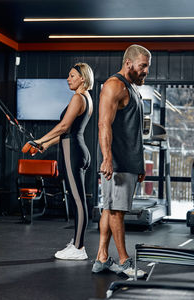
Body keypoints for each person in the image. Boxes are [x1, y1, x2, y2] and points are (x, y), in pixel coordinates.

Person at [23, 62, 94, 260]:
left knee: (78, 202)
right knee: (76, 199)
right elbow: (69, 131)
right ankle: (77, 242)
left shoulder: (78, 97)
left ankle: (79, 248)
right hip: (77, 149)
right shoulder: (87, 98)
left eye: (72, 76)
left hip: (73, 153)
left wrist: (38, 139)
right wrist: (44, 145)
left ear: (83, 78)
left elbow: (63, 127)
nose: (68, 79)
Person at [92, 44, 151, 277]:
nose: (146, 71)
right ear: (128, 63)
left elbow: (132, 130)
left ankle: (102, 258)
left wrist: (139, 162)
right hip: (116, 163)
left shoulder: (131, 88)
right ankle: (125, 262)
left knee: (109, 209)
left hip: (128, 162)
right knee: (117, 211)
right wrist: (107, 159)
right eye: (143, 66)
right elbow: (103, 124)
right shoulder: (114, 86)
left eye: (147, 66)